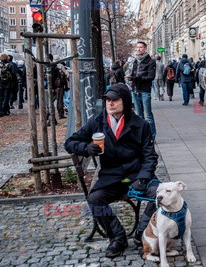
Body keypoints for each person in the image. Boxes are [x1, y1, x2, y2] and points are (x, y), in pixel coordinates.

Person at [64, 83, 159, 258]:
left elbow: (150, 157)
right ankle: (117, 237)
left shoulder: (140, 125)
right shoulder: (98, 121)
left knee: (160, 196)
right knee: (94, 200)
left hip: (136, 176)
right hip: (112, 177)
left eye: (115, 100)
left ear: (126, 101)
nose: (110, 103)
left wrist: (143, 178)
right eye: (107, 100)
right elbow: (69, 142)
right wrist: (86, 147)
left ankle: (142, 234)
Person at [127, 41, 157, 141]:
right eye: (137, 47)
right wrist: (131, 78)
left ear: (145, 49)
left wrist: (136, 78)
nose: (138, 49)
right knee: (139, 115)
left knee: (148, 115)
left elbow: (151, 77)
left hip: (144, 91)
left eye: (141, 47)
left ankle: (152, 136)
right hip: (135, 90)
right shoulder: (135, 61)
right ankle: (141, 137)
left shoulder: (150, 61)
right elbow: (133, 74)